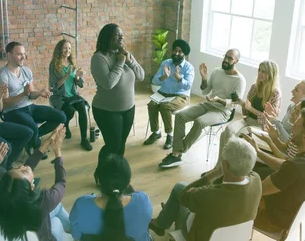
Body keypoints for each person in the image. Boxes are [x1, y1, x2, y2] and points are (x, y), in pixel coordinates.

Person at [148, 137, 262, 241]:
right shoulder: (256, 180)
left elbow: (183, 195)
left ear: (225, 165)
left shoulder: (210, 195)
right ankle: (162, 222)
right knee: (189, 201)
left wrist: (213, 174)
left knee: (179, 188)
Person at [0, 126, 72, 241]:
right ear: (30, 187)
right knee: (57, 214)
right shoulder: (43, 201)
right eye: (23, 171)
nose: (24, 166)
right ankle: (75, 231)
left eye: (18, 168)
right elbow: (61, 183)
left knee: (53, 211)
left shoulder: (3, 197)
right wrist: (57, 151)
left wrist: (45, 144)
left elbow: (24, 173)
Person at [159, 49, 246, 168]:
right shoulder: (217, 72)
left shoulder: (239, 80)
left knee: (200, 121)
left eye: (230, 58)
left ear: (236, 61)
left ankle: (177, 152)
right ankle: (176, 154)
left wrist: (219, 100)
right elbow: (205, 90)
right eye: (225, 56)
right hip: (208, 104)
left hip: (222, 111)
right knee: (180, 116)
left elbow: (235, 103)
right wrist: (204, 78)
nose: (225, 60)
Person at [254, 109, 305, 232]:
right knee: (257, 170)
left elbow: (258, 190)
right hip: (293, 215)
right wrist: (258, 152)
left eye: (296, 126)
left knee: (235, 188)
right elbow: (285, 165)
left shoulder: (296, 167)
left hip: (272, 219)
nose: (292, 127)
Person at [69, 154, 153, 241]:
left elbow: (76, 236)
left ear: (98, 181)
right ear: (128, 184)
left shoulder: (81, 206)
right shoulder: (143, 201)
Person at [0, 41, 67, 157]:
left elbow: (31, 94)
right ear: (9, 55)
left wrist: (39, 93)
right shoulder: (3, 75)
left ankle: (32, 139)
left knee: (61, 117)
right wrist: (23, 94)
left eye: (24, 54)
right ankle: (36, 146)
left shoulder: (26, 71)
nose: (23, 57)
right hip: (12, 111)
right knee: (33, 127)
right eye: (19, 54)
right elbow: (5, 104)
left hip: (29, 106)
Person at [90, 24, 145, 157]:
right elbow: (109, 83)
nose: (121, 37)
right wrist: (120, 63)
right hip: (107, 111)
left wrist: (130, 61)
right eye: (117, 34)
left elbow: (141, 76)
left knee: (121, 145)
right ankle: (102, 173)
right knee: (112, 146)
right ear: (107, 37)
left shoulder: (125, 54)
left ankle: (115, 173)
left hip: (128, 109)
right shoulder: (99, 58)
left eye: (122, 34)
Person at [243, 99, 305, 179]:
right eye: (294, 109)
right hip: (285, 163)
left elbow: (286, 163)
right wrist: (274, 138)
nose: (292, 113)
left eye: (297, 112)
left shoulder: (303, 139)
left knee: (249, 164)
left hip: (286, 170)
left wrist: (265, 145)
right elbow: (285, 148)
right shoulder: (297, 129)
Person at [144, 39, 195, 150]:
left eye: (180, 51)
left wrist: (179, 78)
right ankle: (156, 132)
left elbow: (188, 86)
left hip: (180, 96)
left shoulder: (189, 68)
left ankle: (170, 136)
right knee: (151, 105)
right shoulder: (165, 63)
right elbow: (155, 81)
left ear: (184, 54)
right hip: (163, 92)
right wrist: (164, 77)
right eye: (175, 50)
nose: (176, 53)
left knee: (165, 107)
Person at [48, 39, 92, 151]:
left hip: (72, 95)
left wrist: (77, 77)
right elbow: (54, 86)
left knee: (82, 108)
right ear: (59, 50)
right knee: (70, 111)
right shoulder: (54, 65)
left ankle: (84, 139)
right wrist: (67, 75)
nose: (67, 50)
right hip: (59, 96)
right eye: (65, 48)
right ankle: (65, 127)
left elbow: (80, 84)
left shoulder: (72, 63)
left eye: (69, 48)